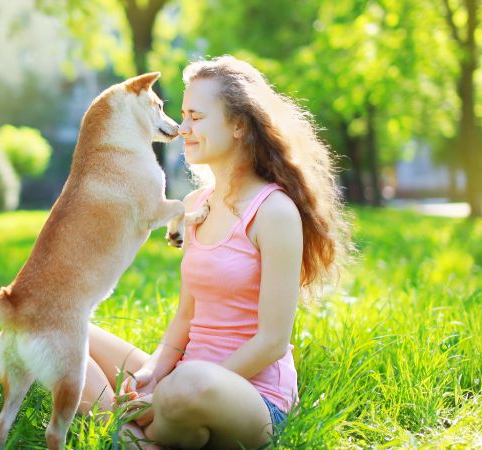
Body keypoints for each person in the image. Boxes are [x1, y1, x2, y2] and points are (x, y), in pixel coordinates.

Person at [78, 55, 350, 449]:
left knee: (187, 386)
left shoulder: (274, 212)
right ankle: (133, 436)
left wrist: (168, 393)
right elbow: (186, 316)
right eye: (183, 115)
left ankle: (132, 433)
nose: (183, 128)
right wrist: (154, 373)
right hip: (184, 379)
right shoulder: (195, 204)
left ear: (239, 124)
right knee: (64, 333)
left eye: (196, 117)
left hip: (250, 397)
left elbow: (273, 341)